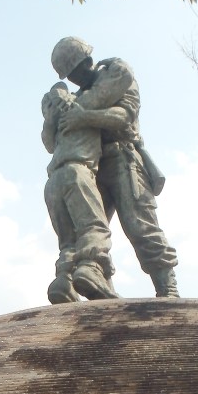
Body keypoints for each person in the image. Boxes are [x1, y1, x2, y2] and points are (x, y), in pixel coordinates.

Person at [51, 37, 179, 298]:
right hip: (92, 167)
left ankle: (168, 289)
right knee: (86, 233)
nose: (76, 79)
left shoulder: (118, 78)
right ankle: (99, 287)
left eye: (78, 71)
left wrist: (84, 117)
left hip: (124, 160)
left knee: (140, 227)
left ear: (88, 61)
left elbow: (124, 118)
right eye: (71, 76)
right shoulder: (79, 98)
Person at [41, 81, 117, 302]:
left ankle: (64, 280)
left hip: (53, 182)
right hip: (78, 172)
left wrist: (50, 117)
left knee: (68, 241)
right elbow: (118, 120)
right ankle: (90, 268)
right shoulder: (83, 106)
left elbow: (47, 144)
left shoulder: (53, 123)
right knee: (94, 228)